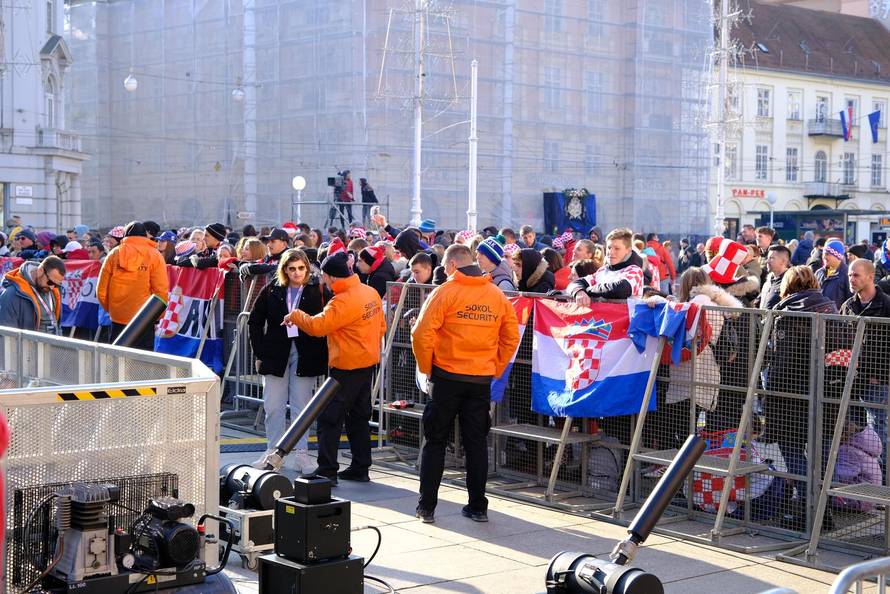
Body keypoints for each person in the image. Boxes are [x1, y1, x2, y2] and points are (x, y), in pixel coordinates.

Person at [412, 244, 520, 523]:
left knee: (435, 441)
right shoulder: (495, 295)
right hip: (479, 379)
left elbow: (421, 333)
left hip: (446, 377)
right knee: (476, 443)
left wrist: (427, 368)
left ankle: (426, 508)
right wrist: (494, 367)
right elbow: (511, 337)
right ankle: (478, 506)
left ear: (450, 266)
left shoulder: (445, 292)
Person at [284, 251, 386, 485]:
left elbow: (319, 326)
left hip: (346, 367)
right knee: (359, 417)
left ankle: (327, 471)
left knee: (330, 419)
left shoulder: (342, 300)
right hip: (367, 363)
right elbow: (381, 326)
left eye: (324, 277)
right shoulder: (368, 292)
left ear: (331, 277)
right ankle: (361, 467)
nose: (322, 281)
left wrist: (296, 315)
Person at [765, 265, 837, 528]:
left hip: (790, 395)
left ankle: (810, 514)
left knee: (794, 453)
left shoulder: (786, 312)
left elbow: (783, 362)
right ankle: (823, 513)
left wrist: (770, 393)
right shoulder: (830, 307)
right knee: (819, 457)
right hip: (827, 390)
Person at [249, 249, 329, 473]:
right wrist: (261, 352)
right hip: (276, 353)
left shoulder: (317, 289)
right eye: (292, 268)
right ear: (285, 269)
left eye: (301, 268)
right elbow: (254, 321)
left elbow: (328, 320)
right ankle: (273, 452)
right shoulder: (272, 289)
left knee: (301, 407)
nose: (297, 273)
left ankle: (301, 455)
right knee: (273, 406)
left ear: (307, 268)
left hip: (307, 354)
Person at [841, 259, 890, 450]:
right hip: (852, 379)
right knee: (856, 431)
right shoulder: (848, 305)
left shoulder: (886, 305)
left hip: (877, 380)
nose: (851, 279)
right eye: (849, 275)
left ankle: (882, 475)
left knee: (879, 431)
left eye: (856, 275)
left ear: (870, 277)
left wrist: (880, 376)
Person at [97, 221, 169, 350]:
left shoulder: (114, 254)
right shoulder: (155, 255)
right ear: (145, 236)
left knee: (117, 360)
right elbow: (161, 291)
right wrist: (156, 315)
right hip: (144, 319)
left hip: (117, 318)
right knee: (143, 363)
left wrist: (112, 309)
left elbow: (101, 290)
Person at [568, 228, 645, 303]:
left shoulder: (635, 270)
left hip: (628, 315)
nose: (610, 252)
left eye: (617, 248)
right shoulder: (602, 270)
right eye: (609, 247)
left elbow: (622, 289)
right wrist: (579, 291)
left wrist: (588, 290)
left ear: (628, 250)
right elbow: (576, 283)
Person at [0, 256, 65, 333]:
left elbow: (57, 325)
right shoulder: (12, 294)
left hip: (51, 343)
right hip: (29, 344)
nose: (52, 287)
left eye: (56, 285)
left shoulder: (54, 291)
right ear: (40, 271)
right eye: (50, 282)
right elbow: (6, 336)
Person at [816, 239, 852, 309]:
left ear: (837, 256)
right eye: (823, 254)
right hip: (818, 317)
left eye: (827, 254)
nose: (824, 257)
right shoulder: (819, 273)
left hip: (837, 318)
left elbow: (851, 300)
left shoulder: (847, 274)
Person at [759, 245, 791, 310]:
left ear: (783, 261)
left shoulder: (790, 282)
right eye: (768, 258)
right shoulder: (768, 281)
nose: (767, 261)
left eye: (771, 258)